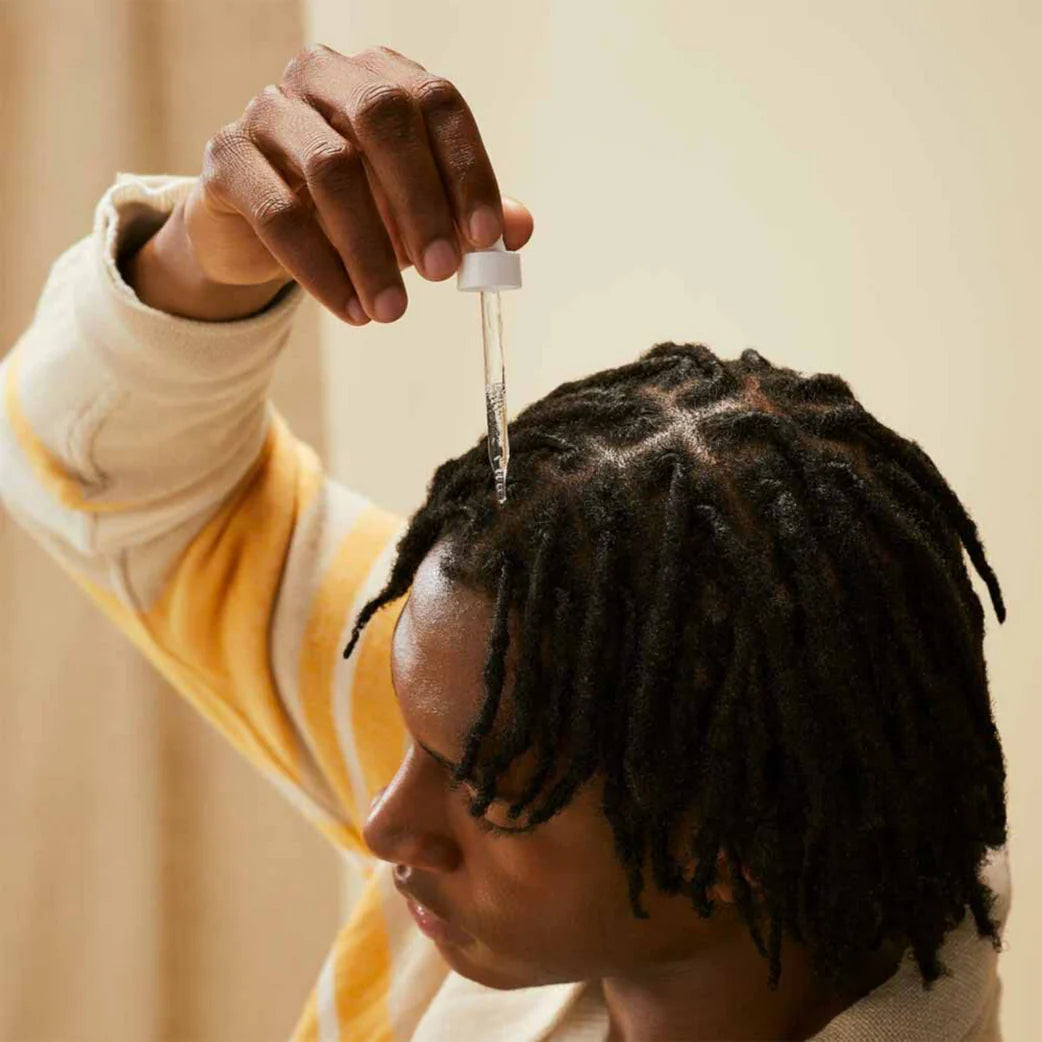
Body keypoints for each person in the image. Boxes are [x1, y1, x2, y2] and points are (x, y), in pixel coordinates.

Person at [0, 42, 1011, 1042]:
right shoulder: (509, 686)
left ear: (736, 839)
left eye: (486, 790)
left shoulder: (583, 701)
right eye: (408, 734)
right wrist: (204, 254)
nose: (385, 825)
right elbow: (107, 474)